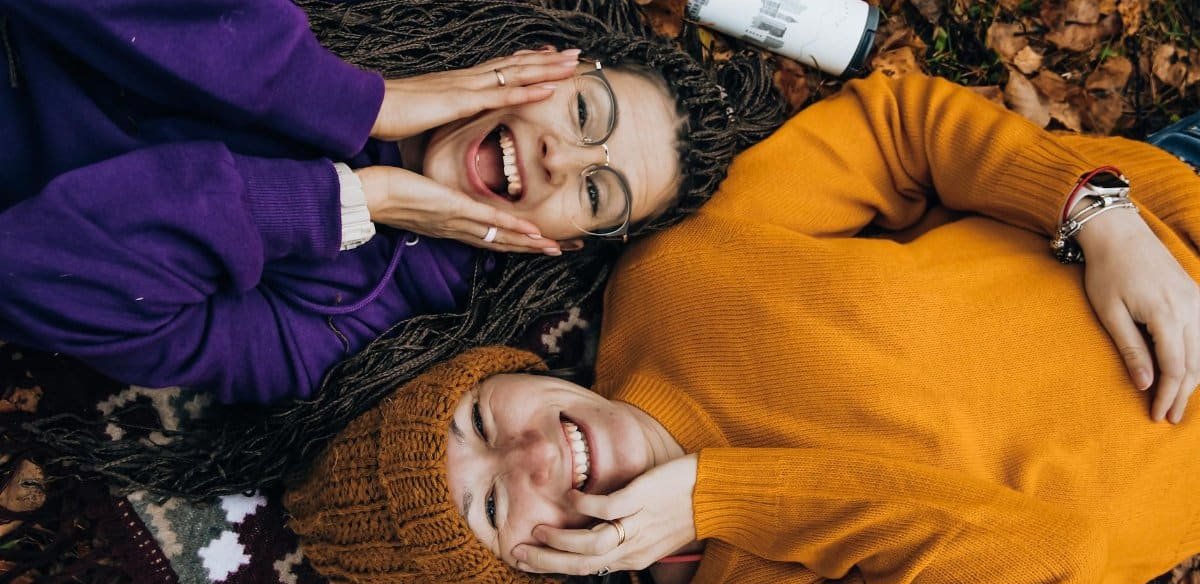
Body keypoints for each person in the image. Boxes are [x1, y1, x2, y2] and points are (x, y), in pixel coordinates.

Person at [284, 72, 1200, 584]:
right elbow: (1041, 565)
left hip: (1167, 214)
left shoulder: (669, 281)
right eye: (489, 507)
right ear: (521, 572)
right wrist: (719, 496)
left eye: (479, 421)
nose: (529, 452)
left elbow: (896, 129)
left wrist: (1093, 212)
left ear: (499, 370)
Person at [0, 0, 783, 405]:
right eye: (585, 114)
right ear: (544, 63)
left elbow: (36, 280)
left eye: (594, 190)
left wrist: (343, 199)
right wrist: (354, 103)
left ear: (561, 244)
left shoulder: (354, 328)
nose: (559, 157)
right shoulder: (376, 18)